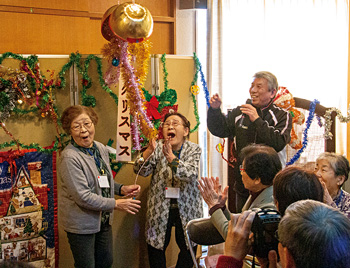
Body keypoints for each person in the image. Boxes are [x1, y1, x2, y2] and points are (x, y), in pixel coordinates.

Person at [59, 105, 141, 268]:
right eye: (77, 126)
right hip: (81, 224)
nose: (84, 130)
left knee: (106, 262)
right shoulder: (69, 157)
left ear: (93, 123)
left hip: (103, 220)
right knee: (87, 265)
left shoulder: (100, 148)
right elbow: (83, 196)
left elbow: (101, 179)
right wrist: (116, 204)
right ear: (69, 130)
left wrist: (120, 189)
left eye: (87, 124)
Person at [207, 71, 292, 212]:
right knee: (242, 222)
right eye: (252, 86)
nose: (253, 90)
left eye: (259, 87)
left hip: (270, 185)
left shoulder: (282, 115)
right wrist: (215, 110)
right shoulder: (240, 113)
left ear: (272, 93)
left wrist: (257, 120)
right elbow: (220, 130)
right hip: (243, 183)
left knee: (266, 222)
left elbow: (278, 142)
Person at [133, 112, 203, 268]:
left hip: (187, 208)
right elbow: (140, 171)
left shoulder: (194, 149)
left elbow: (190, 174)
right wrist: (148, 152)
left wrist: (171, 157)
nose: (170, 126)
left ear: (185, 131)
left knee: (188, 249)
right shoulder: (157, 148)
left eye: (175, 123)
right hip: (159, 208)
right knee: (155, 247)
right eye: (167, 124)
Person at [199, 144, 281, 240]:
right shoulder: (258, 192)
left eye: (243, 169)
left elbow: (235, 237)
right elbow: (238, 225)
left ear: (257, 179)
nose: (241, 173)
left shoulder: (268, 205)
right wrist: (221, 207)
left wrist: (213, 206)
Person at [315, 152, 350, 219]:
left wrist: (329, 202)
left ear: (340, 180)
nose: (317, 174)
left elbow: (345, 227)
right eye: (316, 169)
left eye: (323, 170)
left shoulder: (347, 202)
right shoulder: (309, 195)